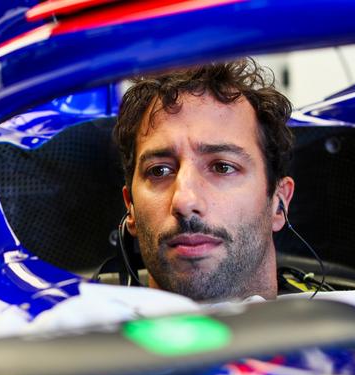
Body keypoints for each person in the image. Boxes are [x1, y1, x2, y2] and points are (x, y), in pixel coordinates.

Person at [114, 59, 295, 302]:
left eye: (222, 167)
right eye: (159, 171)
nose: (185, 201)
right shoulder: (62, 334)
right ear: (130, 206)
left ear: (278, 202)